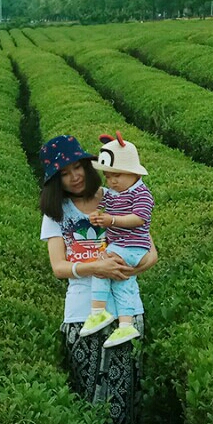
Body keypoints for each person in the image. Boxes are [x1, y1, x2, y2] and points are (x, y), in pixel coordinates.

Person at [38, 134, 157, 424]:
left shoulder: (116, 198)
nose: (74, 176)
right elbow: (59, 267)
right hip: (81, 314)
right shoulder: (56, 214)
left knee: (122, 398)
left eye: (79, 167)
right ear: (54, 181)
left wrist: (129, 270)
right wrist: (96, 268)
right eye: (64, 173)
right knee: (88, 397)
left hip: (124, 312)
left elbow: (150, 251)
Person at [81, 132, 153, 348]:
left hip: (133, 246)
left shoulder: (141, 194)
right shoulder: (114, 192)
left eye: (117, 175)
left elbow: (139, 218)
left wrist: (111, 220)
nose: (112, 181)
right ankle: (125, 325)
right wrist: (98, 216)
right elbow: (101, 204)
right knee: (123, 283)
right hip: (120, 245)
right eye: (108, 176)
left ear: (133, 172)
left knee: (102, 265)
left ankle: (98, 312)